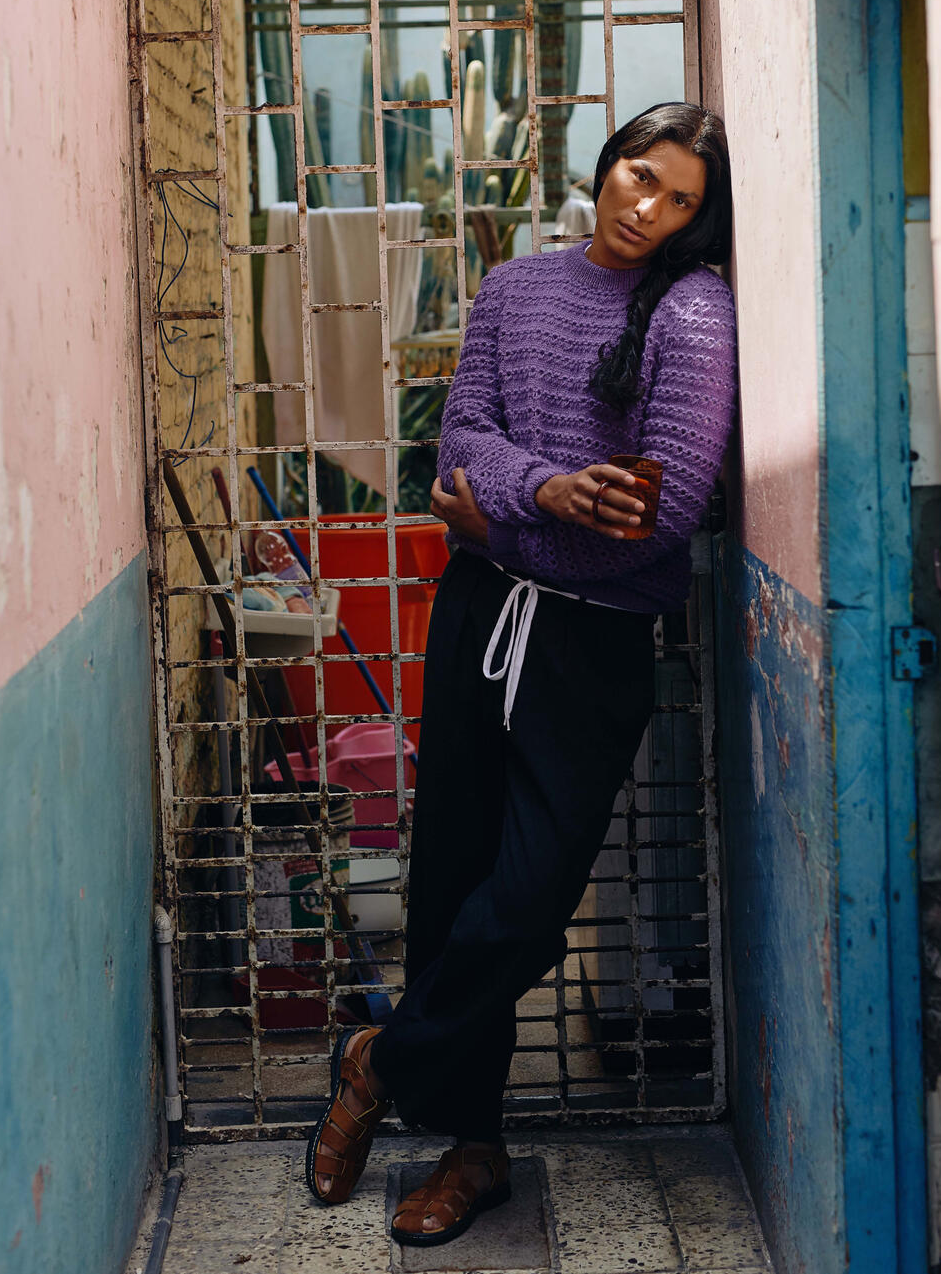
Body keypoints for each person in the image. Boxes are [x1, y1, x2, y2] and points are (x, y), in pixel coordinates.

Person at [304, 101, 738, 1247]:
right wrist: (543, 493)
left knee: (529, 897)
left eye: (679, 199)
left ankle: (379, 1060)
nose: (646, 208)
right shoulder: (513, 289)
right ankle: (472, 1148)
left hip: (591, 640)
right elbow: (459, 442)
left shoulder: (692, 313)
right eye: (638, 175)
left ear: (698, 220)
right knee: (451, 879)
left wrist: (499, 529)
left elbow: (659, 520)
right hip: (479, 617)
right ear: (607, 164)